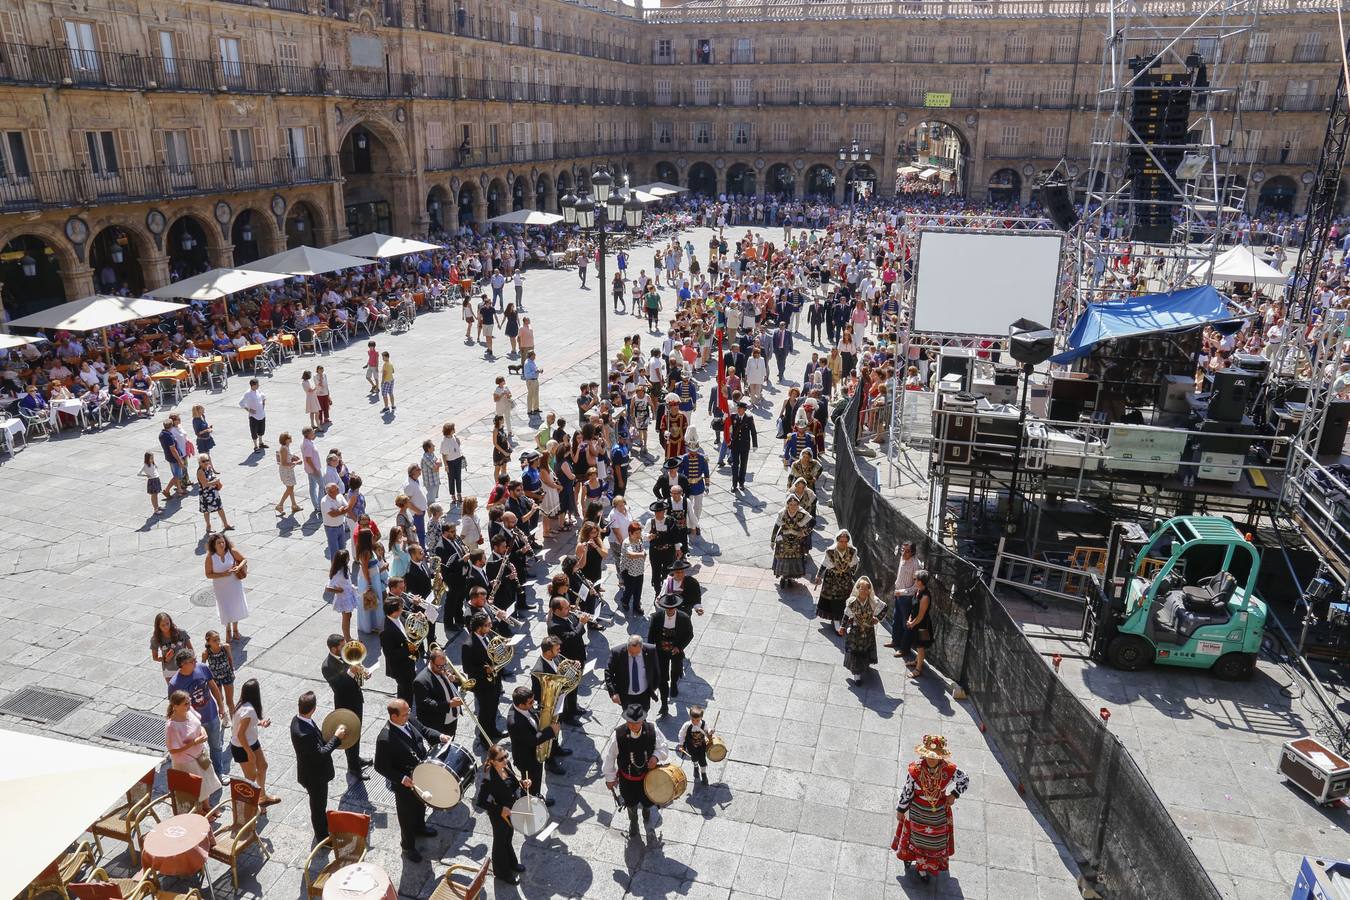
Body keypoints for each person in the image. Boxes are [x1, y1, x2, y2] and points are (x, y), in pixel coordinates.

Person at [373, 698, 451, 862]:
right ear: (394, 717)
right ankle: (407, 846)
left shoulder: (409, 719)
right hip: (405, 783)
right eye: (404, 714)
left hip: (421, 774)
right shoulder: (385, 739)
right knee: (406, 815)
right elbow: (380, 766)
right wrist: (401, 778)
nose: (408, 715)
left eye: (408, 712)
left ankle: (420, 828)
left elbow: (424, 730)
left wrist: (440, 736)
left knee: (421, 804)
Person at [892, 734, 969, 883]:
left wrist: (954, 794)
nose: (931, 759)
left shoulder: (949, 770)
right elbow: (907, 790)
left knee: (934, 842)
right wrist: (901, 809)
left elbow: (964, 779)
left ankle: (924, 866)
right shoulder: (915, 770)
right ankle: (913, 862)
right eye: (928, 756)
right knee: (913, 839)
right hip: (916, 811)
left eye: (935, 756)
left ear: (941, 756)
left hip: (938, 813)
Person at [601, 703, 669, 837]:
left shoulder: (652, 729)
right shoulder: (618, 735)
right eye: (630, 722)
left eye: (636, 722)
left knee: (648, 800)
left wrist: (655, 757)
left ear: (642, 720)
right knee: (630, 801)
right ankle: (633, 822)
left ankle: (646, 811)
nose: (633, 725)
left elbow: (663, 747)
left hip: (647, 777)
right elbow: (609, 758)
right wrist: (609, 778)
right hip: (627, 778)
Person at [290, 690, 346, 841]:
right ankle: (322, 837)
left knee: (319, 805)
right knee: (318, 808)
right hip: (314, 777)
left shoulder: (298, 720)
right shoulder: (304, 733)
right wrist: (336, 738)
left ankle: (323, 827)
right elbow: (321, 753)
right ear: (314, 709)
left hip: (311, 772)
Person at [321, 634, 373, 778]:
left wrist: (364, 672)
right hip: (345, 704)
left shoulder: (345, 655)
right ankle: (354, 768)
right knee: (350, 734)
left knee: (357, 731)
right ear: (333, 648)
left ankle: (355, 759)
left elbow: (356, 667)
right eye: (341, 646)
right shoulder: (327, 666)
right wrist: (351, 672)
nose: (345, 648)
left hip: (356, 699)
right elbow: (339, 687)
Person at [477, 744, 529, 884]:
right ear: (493, 761)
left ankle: (512, 863)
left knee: (507, 838)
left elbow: (513, 785)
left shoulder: (507, 767)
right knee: (500, 842)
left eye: (506, 756)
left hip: (511, 810)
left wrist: (523, 784)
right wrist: (500, 810)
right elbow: (480, 802)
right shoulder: (488, 779)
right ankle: (502, 873)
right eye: (501, 759)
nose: (505, 760)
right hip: (499, 815)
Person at [165, 689, 222, 812]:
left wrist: (203, 732)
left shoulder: (189, 711)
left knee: (206, 781)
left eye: (189, 702)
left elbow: (199, 724)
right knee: (196, 787)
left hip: (200, 753)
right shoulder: (172, 726)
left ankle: (207, 807)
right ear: (175, 706)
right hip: (187, 761)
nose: (189, 705)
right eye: (185, 704)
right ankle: (199, 811)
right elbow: (173, 750)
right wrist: (193, 743)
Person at [230, 678, 280, 806]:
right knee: (250, 778)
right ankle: (249, 805)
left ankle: (262, 797)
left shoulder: (243, 705)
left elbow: (246, 724)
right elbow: (240, 734)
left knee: (263, 766)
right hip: (242, 747)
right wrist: (249, 752)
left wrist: (260, 723)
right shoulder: (249, 710)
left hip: (252, 742)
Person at [508, 685, 562, 803]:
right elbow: (532, 740)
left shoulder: (525, 707)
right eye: (531, 702)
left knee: (536, 780)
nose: (534, 703)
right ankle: (530, 803)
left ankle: (536, 797)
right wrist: (551, 731)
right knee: (530, 784)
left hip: (533, 755)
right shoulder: (515, 722)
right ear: (521, 705)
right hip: (526, 759)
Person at [461, 612, 505, 744]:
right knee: (485, 713)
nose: (491, 627)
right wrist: (484, 669)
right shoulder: (468, 645)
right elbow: (467, 669)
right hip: (483, 685)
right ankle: (485, 740)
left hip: (495, 681)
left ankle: (494, 731)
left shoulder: (489, 635)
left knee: (493, 709)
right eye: (487, 625)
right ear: (479, 627)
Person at [648, 592, 694, 717]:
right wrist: (651, 653)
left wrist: (679, 647)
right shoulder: (656, 617)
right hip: (661, 651)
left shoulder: (684, 618)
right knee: (662, 678)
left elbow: (689, 635)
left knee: (676, 669)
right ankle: (664, 705)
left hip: (675, 650)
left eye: (672, 608)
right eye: (667, 608)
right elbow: (650, 637)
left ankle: (674, 684)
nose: (669, 610)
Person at [413, 647, 465, 741]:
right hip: (438, 723)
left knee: (451, 741)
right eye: (439, 666)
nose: (442, 668)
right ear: (431, 662)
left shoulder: (445, 666)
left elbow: (462, 678)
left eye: (444, 665)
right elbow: (425, 703)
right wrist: (449, 704)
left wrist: (455, 678)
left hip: (452, 717)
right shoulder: (421, 681)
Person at [205, 532, 249, 641]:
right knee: (225, 609)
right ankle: (228, 630)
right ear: (213, 545)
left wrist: (239, 567)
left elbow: (244, 559)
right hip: (221, 588)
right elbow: (208, 574)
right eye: (218, 543)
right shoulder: (210, 557)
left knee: (235, 606)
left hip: (234, 584)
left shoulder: (231, 551)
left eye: (223, 542)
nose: (221, 544)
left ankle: (235, 629)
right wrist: (223, 574)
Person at [814, 529, 859, 632]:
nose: (843, 543)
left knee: (844, 599)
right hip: (831, 579)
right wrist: (818, 576)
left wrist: (850, 573)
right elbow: (824, 564)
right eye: (841, 541)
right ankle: (836, 619)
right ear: (837, 540)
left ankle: (842, 618)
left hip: (845, 580)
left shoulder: (852, 551)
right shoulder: (830, 551)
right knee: (833, 599)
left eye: (845, 541)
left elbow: (855, 563)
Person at [842, 576, 882, 684]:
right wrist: (842, 627)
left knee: (865, 649)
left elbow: (884, 608)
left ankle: (863, 666)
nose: (863, 591)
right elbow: (846, 615)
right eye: (861, 588)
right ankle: (857, 675)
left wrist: (877, 618)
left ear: (869, 590)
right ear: (858, 589)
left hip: (868, 631)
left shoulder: (873, 602)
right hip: (855, 631)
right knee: (856, 651)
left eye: (865, 589)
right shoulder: (852, 601)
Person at [605, 634, 659, 714]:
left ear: (642, 647)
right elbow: (608, 672)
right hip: (626, 694)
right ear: (627, 646)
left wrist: (654, 687)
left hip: (644, 694)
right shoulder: (617, 652)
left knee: (643, 715)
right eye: (631, 652)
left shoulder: (651, 650)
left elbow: (656, 670)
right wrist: (613, 693)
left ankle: (642, 726)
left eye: (637, 653)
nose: (633, 655)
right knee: (629, 717)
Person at [380, 596, 417, 703]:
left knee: (407, 687)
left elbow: (406, 616)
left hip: (409, 662)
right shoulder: (386, 631)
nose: (403, 609)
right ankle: (406, 711)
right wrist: (409, 649)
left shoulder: (398, 617)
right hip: (400, 668)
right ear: (395, 611)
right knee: (407, 692)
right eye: (401, 607)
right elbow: (390, 654)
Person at [888, 541, 922, 653]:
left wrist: (901, 592)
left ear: (912, 552)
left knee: (905, 624)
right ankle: (895, 641)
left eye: (907, 551)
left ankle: (904, 649)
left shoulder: (916, 564)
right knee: (896, 620)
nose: (903, 553)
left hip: (906, 598)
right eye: (902, 550)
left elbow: (915, 587)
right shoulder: (902, 558)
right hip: (898, 594)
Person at [770, 495, 811, 588]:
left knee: (794, 558)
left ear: (798, 504)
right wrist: (772, 540)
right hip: (783, 540)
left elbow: (812, 523)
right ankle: (784, 577)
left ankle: (789, 578)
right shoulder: (782, 513)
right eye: (791, 504)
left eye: (795, 504)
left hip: (797, 540)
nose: (793, 506)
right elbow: (776, 527)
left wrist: (803, 533)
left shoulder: (802, 514)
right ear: (787, 505)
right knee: (783, 558)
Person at [676, 704, 714, 787]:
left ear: (701, 718)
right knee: (694, 758)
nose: (694, 722)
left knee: (703, 760)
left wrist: (710, 731)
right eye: (693, 719)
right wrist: (681, 744)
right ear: (690, 717)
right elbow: (681, 734)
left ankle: (704, 774)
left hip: (701, 746)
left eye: (697, 720)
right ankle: (695, 767)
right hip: (691, 746)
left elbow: (707, 730)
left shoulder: (703, 724)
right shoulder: (687, 725)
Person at [202, 629, 237, 717]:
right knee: (219, 699)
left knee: (230, 701)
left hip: (227, 676)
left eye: (218, 639)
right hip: (215, 679)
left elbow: (230, 659)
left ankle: (234, 721)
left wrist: (232, 671)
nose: (218, 642)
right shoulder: (206, 653)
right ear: (208, 641)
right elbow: (202, 666)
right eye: (214, 640)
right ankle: (224, 717)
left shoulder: (225, 647)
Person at [151, 612, 193, 684]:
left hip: (184, 667)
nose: (166, 627)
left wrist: (191, 662)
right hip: (169, 670)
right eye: (163, 625)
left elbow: (191, 650)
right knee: (174, 693)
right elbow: (155, 657)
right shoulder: (156, 639)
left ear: (170, 622)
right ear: (158, 626)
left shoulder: (181, 633)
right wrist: (165, 659)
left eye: (167, 623)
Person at [907, 570, 934, 678]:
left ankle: (918, 669)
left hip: (922, 626)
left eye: (916, 579)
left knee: (920, 647)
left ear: (921, 581)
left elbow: (921, 615)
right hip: (915, 622)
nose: (914, 580)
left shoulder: (925, 597)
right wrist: (910, 618)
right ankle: (916, 661)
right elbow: (914, 609)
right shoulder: (917, 591)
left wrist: (912, 624)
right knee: (918, 645)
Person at [196, 454, 233, 533]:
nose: (206, 462)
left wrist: (217, 482)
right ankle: (208, 526)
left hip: (213, 491)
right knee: (206, 511)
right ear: (199, 463)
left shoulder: (209, 467)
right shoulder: (200, 472)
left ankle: (226, 524)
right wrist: (216, 481)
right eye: (203, 461)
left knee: (220, 507)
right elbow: (205, 484)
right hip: (205, 494)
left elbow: (213, 476)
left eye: (207, 460)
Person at [728, 398, 757, 491]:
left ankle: (741, 483)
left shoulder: (749, 418)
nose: (738, 410)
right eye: (738, 408)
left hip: (745, 445)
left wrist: (755, 444)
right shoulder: (733, 417)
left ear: (744, 409)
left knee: (743, 465)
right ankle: (734, 484)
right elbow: (726, 427)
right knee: (734, 465)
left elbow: (753, 431)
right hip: (735, 445)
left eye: (740, 408)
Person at [275, 432, 302, 516]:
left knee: (290, 488)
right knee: (290, 488)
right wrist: (296, 462)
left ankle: (294, 505)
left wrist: (293, 457)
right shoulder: (284, 449)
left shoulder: (286, 447)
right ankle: (280, 505)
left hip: (288, 471)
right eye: (289, 438)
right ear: (286, 440)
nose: (291, 439)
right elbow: (283, 463)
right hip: (286, 471)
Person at [238, 378, 267, 452]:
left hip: (261, 414)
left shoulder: (258, 391)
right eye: (257, 384)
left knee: (261, 430)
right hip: (253, 416)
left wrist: (263, 402)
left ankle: (261, 443)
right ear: (253, 385)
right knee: (254, 431)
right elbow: (241, 403)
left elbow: (263, 396)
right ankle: (255, 446)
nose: (258, 385)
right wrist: (249, 410)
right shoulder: (247, 393)